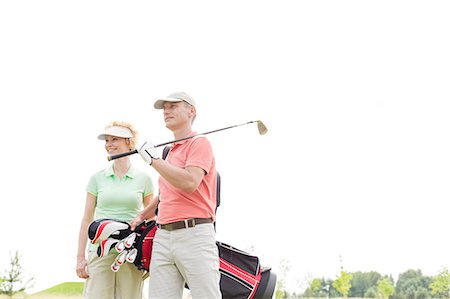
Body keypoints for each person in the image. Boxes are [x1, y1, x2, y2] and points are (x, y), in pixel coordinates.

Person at [131, 92, 221, 299]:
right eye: (165, 108)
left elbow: (190, 182)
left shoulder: (199, 143)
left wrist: (154, 160)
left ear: (192, 111)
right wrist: (143, 215)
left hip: (194, 233)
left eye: (173, 106)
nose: (166, 111)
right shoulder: (169, 152)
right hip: (163, 235)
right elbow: (166, 194)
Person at [76, 121, 154, 299]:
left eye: (115, 139)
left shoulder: (144, 179)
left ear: (129, 142)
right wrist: (80, 257)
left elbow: (150, 219)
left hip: (130, 250)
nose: (109, 144)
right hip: (99, 249)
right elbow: (86, 219)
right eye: (107, 140)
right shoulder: (97, 179)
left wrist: (150, 253)